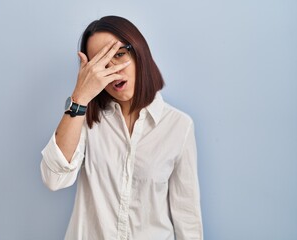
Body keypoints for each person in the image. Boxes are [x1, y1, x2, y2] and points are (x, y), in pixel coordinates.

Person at [40, 15, 203, 240]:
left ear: (139, 53)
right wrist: (80, 98)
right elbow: (53, 178)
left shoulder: (179, 126)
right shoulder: (86, 121)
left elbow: (187, 216)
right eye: (100, 63)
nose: (113, 69)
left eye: (119, 54)